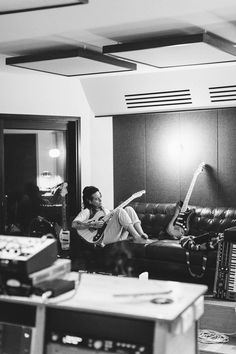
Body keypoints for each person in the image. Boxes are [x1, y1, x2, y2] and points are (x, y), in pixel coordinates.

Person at [72, 186, 151, 246]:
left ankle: (141, 234)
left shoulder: (103, 210)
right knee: (119, 211)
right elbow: (74, 224)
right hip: (103, 239)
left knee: (129, 209)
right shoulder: (87, 211)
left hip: (116, 236)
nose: (100, 200)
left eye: (100, 197)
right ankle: (136, 237)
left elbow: (112, 221)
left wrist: (111, 216)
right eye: (96, 199)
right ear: (89, 201)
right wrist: (91, 224)